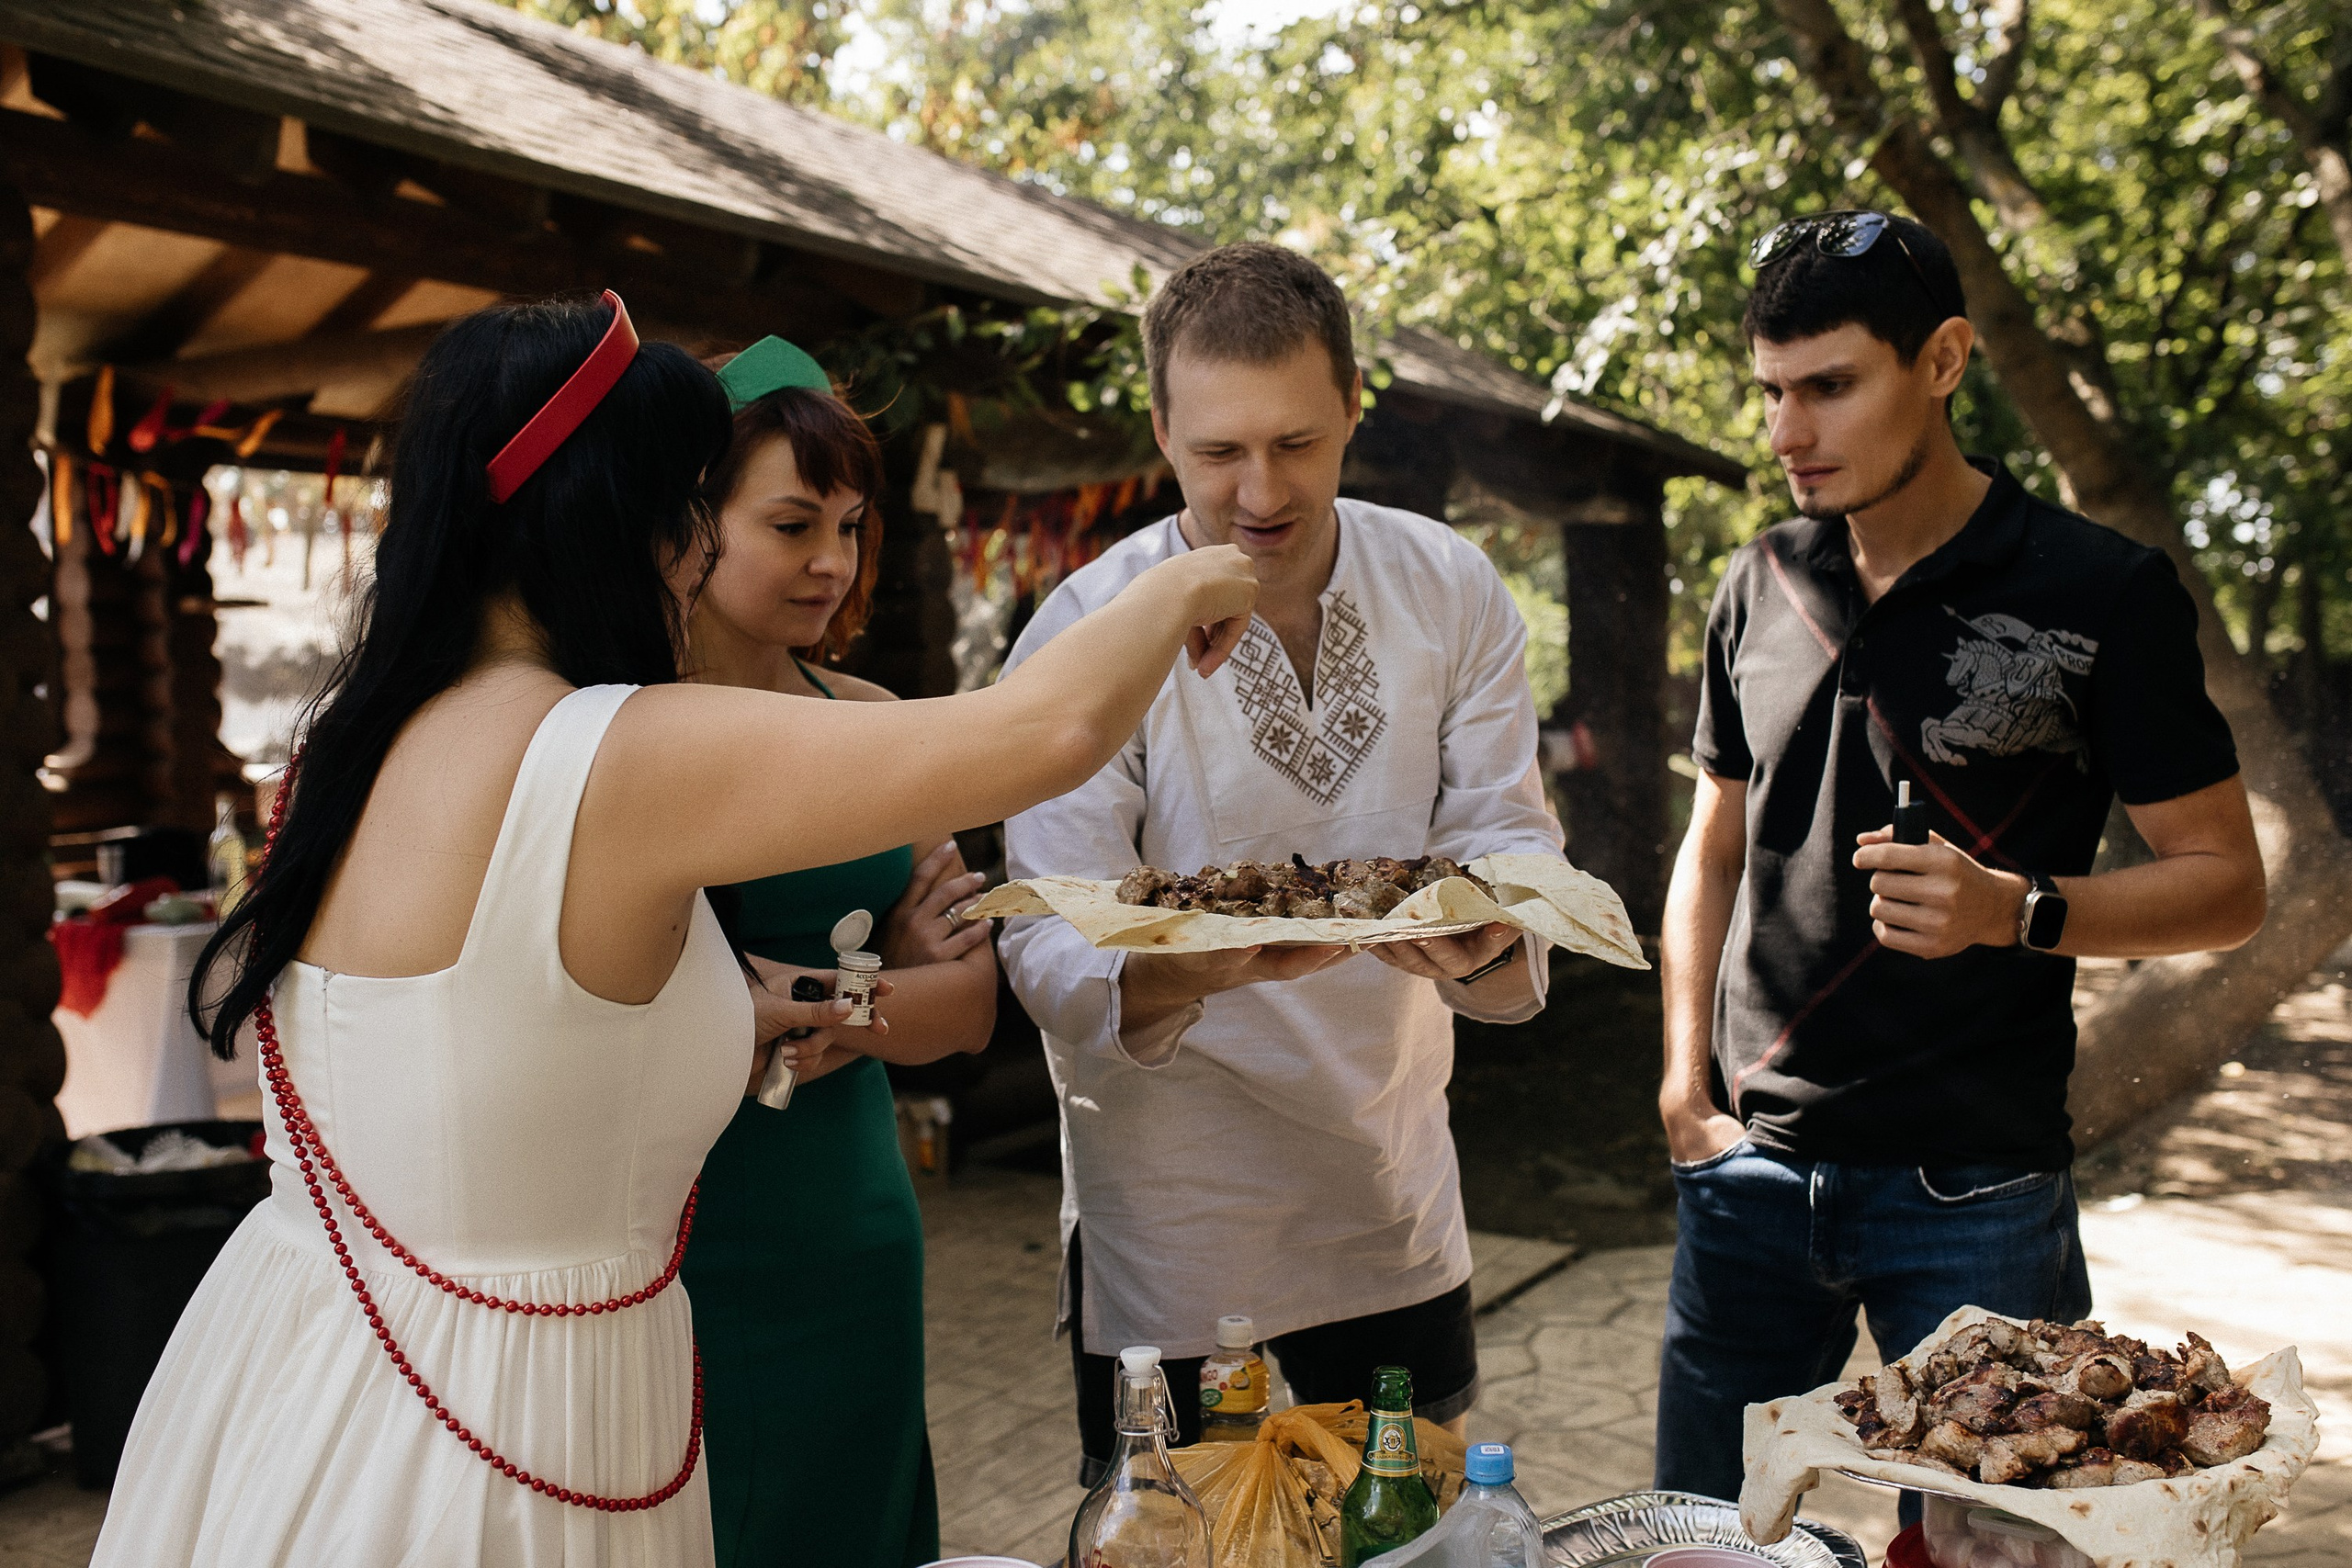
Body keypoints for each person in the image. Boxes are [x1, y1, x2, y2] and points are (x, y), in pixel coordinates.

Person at [94, 292, 1258, 1565]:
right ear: (618, 522)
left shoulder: (356, 745)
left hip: (307, 1360)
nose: (700, 560)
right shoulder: (604, 751)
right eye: (688, 520)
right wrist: (1195, 568)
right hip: (506, 1412)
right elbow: (1047, 732)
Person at [1653, 211, 2267, 1507]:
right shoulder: (1756, 579)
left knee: (2006, 1553)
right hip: (1747, 1172)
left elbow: (2226, 881)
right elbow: (1711, 847)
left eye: (1829, 387)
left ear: (1941, 361)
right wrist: (1682, 1087)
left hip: (1975, 1186)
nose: (1788, 433)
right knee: (1703, 1539)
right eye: (1771, 392)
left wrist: (2019, 911)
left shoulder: (2101, 589)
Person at [998, 243, 1566, 1483]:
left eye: (1298, 443)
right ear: (1160, 428)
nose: (1260, 490)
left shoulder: (1449, 586)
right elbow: (1044, 938)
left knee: (1413, 1549)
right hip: (1179, 1226)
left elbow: (1507, 830)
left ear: (1356, 404)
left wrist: (1493, 925)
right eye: (1218, 452)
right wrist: (1201, 968)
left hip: (1393, 1197)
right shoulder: (1087, 629)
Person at [677, 337, 993, 1568]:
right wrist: (878, 995)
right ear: (688, 521)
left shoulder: (874, 726)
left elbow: (970, 1005)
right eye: (792, 522)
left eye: (852, 527)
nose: (831, 562)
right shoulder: (617, 727)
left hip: (851, 1220)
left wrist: (789, 1004)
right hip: (681, 1228)